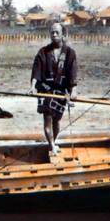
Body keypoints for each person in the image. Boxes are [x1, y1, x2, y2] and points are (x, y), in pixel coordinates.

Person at [30, 23, 78, 155]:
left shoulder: (70, 53)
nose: (54, 35)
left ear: (63, 34)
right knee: (48, 119)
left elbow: (72, 72)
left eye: (57, 32)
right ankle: (52, 146)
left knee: (56, 120)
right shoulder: (43, 52)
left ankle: (53, 143)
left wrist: (73, 90)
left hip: (60, 91)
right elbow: (36, 70)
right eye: (52, 32)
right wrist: (33, 87)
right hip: (45, 90)